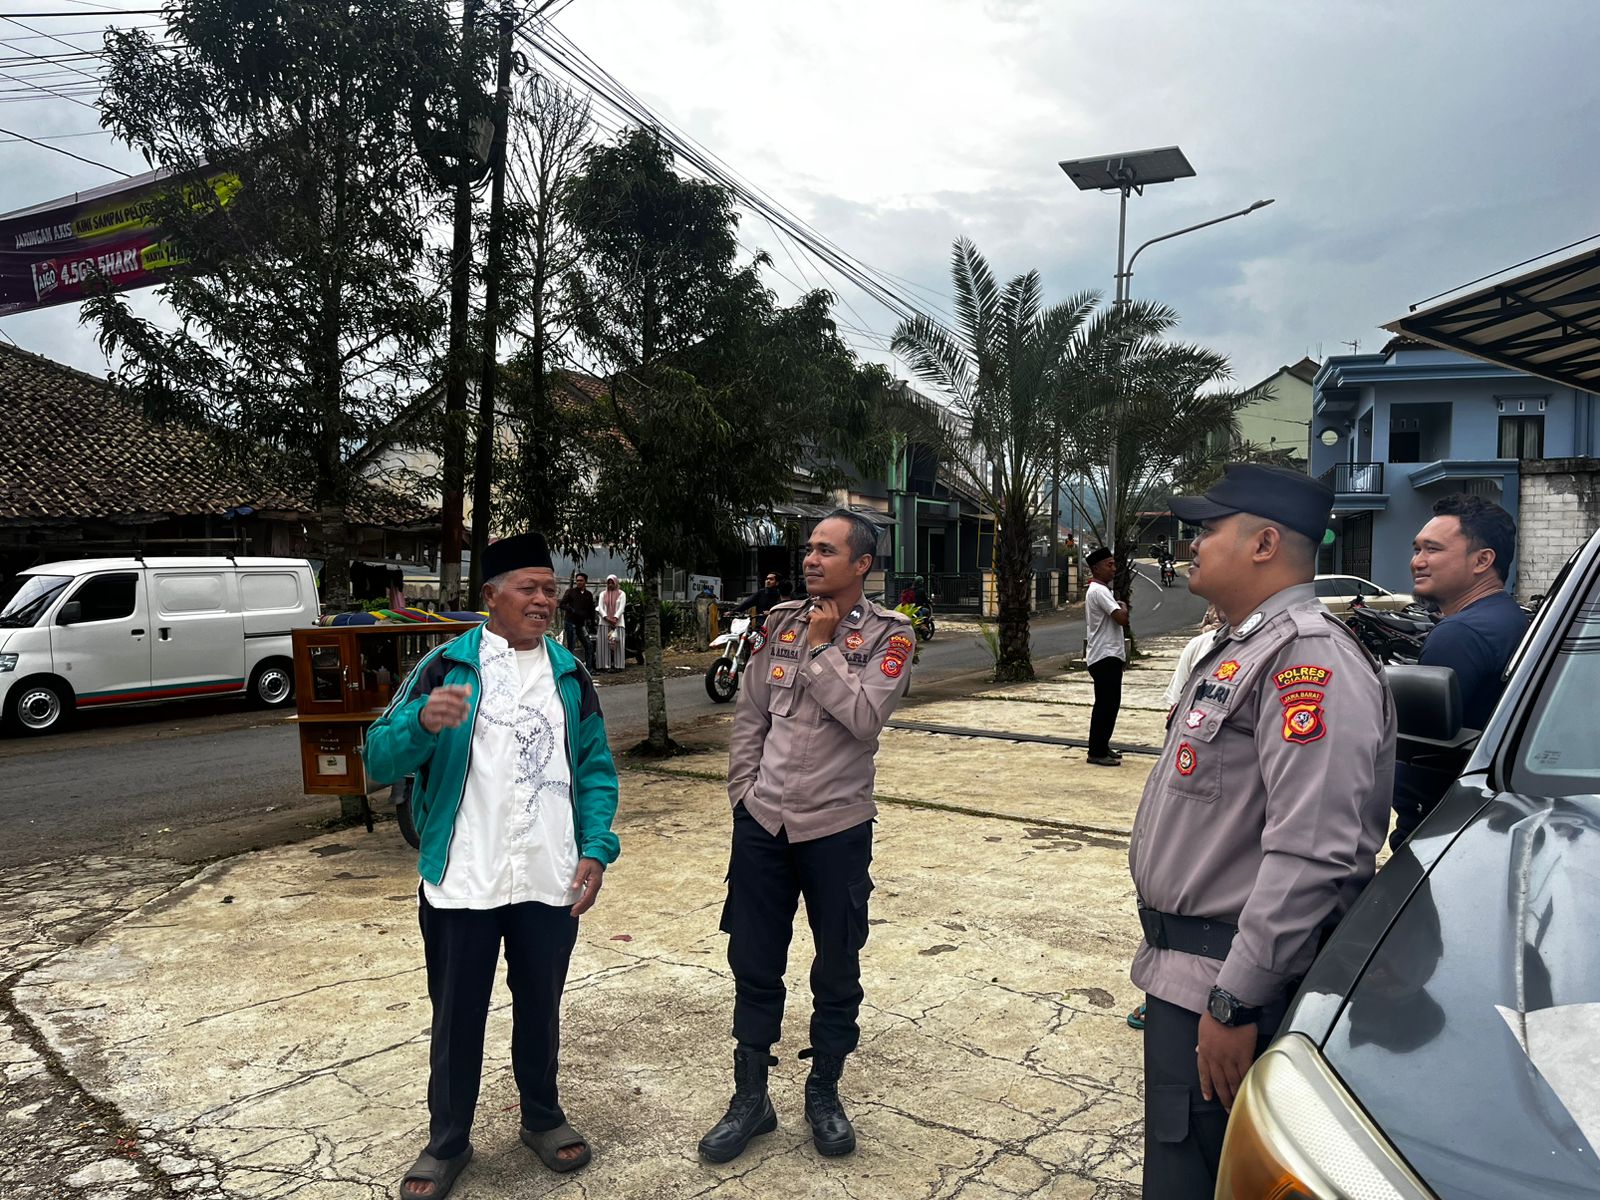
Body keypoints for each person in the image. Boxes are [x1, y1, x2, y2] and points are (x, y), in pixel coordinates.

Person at [1129, 464, 1394, 1199]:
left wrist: (1236, 999)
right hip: (1186, 971)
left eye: (1207, 529)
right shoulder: (1246, 647)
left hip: (1230, 979)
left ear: (1264, 542)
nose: (1192, 544)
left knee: (1203, 1176)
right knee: (1182, 1164)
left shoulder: (1307, 658)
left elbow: (1314, 850)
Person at [363, 532, 621, 1200]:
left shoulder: (570, 674)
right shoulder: (445, 668)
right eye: (528, 588)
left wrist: (596, 848)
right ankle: (447, 1141)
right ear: (491, 596)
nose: (544, 600)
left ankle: (541, 1116)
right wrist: (420, 721)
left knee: (541, 1005)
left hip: (547, 872)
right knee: (457, 1017)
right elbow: (377, 760)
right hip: (463, 878)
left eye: (549, 587)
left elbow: (594, 767)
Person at [699, 510, 914, 1164]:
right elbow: (751, 715)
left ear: (862, 564)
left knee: (837, 963)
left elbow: (866, 718)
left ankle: (824, 1090)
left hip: (836, 830)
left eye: (826, 550)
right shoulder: (780, 623)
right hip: (764, 825)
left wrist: (824, 650)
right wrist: (744, 796)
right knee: (753, 959)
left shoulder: (891, 636)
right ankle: (751, 1098)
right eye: (809, 549)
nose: (811, 559)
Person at [1390, 493, 1528, 850]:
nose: (1417, 562)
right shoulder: (1509, 618)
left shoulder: (1460, 634)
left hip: (1440, 828)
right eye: (1417, 549)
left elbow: (1421, 750)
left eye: (1432, 550)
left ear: (1483, 560)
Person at [1084, 547, 1128, 767]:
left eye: (1114, 564)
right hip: (1104, 655)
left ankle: (1102, 745)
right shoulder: (1099, 591)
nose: (1114, 569)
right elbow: (1120, 618)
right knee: (1105, 704)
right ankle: (1096, 751)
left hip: (1107, 654)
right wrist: (1124, 606)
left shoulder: (1100, 590)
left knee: (1110, 704)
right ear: (1096, 568)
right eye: (1109, 565)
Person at [558, 572, 598, 671]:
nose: (579, 582)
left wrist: (592, 623)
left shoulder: (588, 595)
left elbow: (591, 610)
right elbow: (562, 604)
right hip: (571, 622)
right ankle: (570, 669)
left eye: (581, 580)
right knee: (571, 646)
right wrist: (571, 610)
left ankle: (589, 669)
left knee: (588, 645)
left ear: (585, 581)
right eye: (577, 580)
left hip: (581, 624)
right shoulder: (570, 592)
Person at [596, 574, 627, 672]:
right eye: (608, 583)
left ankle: (619, 665)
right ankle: (605, 665)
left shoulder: (622, 594)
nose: (610, 585)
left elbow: (622, 607)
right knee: (604, 645)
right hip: (604, 623)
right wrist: (606, 617)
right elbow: (600, 607)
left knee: (618, 644)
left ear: (616, 583)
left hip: (618, 623)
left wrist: (615, 618)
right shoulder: (602, 594)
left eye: (612, 582)